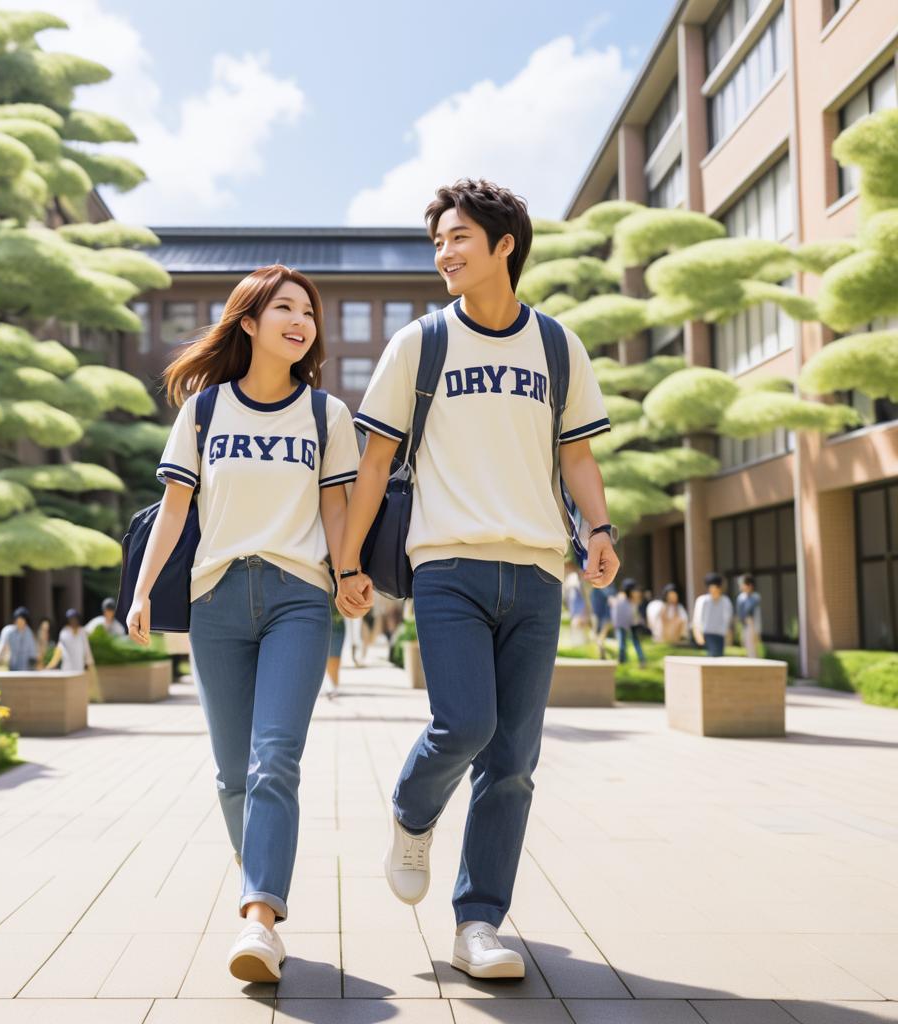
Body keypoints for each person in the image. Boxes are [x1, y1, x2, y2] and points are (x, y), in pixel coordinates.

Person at [335, 179, 618, 980]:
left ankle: (478, 923)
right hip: (447, 563)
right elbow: (376, 460)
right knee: (465, 725)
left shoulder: (557, 346)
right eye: (437, 242)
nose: (444, 254)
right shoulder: (419, 344)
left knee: (516, 760)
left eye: (459, 238)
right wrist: (349, 563)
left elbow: (578, 457)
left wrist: (598, 529)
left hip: (536, 570)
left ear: (504, 247)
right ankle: (411, 811)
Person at [125, 265, 360, 983]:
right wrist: (141, 593)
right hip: (216, 600)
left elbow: (337, 510)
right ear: (249, 323)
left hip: (297, 595)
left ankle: (259, 918)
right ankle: (261, 873)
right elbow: (174, 509)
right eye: (284, 308)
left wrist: (347, 573)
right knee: (233, 773)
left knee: (274, 758)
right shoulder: (202, 412)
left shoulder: (326, 417)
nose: (302, 321)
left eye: (309, 312)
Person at [692, 572, 734, 657]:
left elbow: (728, 620)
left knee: (719, 658)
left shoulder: (726, 601)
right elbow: (697, 620)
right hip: (706, 635)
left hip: (720, 636)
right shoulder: (702, 600)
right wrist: (698, 635)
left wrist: (729, 636)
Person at [610, 578, 646, 665]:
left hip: (630, 623)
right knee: (625, 643)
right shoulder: (622, 598)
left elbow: (635, 611)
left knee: (631, 642)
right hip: (624, 623)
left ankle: (639, 660)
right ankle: (623, 660)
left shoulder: (629, 597)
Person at [735, 574, 762, 657]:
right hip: (744, 625)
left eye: (742, 584)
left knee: (754, 650)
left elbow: (751, 612)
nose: (741, 587)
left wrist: (757, 631)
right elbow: (740, 614)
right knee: (746, 649)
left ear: (750, 585)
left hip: (753, 625)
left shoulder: (755, 597)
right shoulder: (740, 598)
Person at [324, 604, 346, 699]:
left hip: (338, 624)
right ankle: (332, 685)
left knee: (335, 656)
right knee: (328, 657)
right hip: (325, 621)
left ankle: (334, 685)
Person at [590, 581, 616, 659]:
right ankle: (600, 645)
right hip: (602, 612)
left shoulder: (596, 586)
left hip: (600, 612)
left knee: (598, 633)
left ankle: (600, 646)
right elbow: (610, 595)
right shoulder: (605, 583)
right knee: (598, 633)